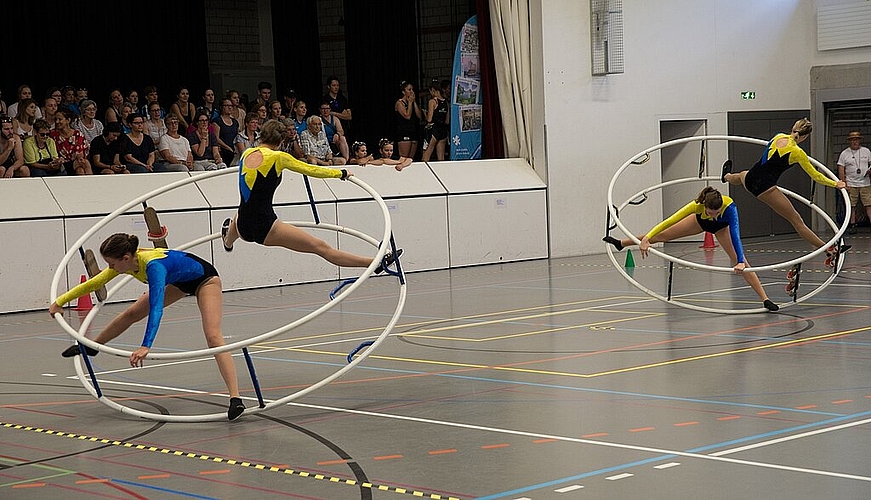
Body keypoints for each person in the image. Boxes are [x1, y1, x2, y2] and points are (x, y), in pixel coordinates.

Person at [50, 233, 246, 421]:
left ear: (125, 258)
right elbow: (95, 283)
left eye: (111, 264)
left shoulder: (154, 268)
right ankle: (92, 347)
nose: (109, 268)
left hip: (205, 280)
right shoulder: (127, 263)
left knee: (213, 337)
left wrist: (146, 345)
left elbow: (156, 308)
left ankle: (235, 398)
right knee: (131, 313)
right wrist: (60, 301)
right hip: (179, 281)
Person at [220, 119, 400, 275]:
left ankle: (228, 240)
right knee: (321, 247)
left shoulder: (246, 153)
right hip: (265, 227)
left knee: (243, 208)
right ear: (282, 140)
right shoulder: (278, 157)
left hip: (242, 225)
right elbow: (311, 170)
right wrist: (341, 173)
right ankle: (375, 263)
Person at [604, 187, 778, 312]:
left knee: (743, 262)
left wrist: (739, 261)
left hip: (721, 229)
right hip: (699, 223)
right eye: (710, 212)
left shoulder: (730, 208)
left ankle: (765, 299)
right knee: (661, 236)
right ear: (704, 206)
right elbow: (669, 221)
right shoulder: (696, 205)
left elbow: (736, 235)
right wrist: (648, 238)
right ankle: (622, 243)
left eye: (716, 212)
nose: (714, 215)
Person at [722, 118, 848, 267]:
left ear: (793, 128)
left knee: (740, 175)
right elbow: (816, 176)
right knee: (797, 220)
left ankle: (726, 176)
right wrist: (835, 184)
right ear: (805, 137)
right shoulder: (797, 152)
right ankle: (829, 250)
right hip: (765, 188)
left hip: (750, 178)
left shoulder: (778, 136)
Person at [837, 131, 871, 235]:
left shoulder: (866, 151)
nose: (855, 142)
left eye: (856, 140)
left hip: (865, 183)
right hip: (851, 183)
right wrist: (844, 183)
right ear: (850, 141)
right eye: (853, 140)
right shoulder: (845, 153)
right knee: (851, 205)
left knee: (869, 205)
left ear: (859, 141)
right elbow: (841, 168)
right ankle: (852, 225)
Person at [51, 108, 93, 175]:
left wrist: (80, 159)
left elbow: (80, 154)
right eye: (56, 119)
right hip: (61, 165)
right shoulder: (52, 135)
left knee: (80, 170)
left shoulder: (77, 134)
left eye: (60, 119)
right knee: (85, 163)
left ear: (68, 120)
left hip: (76, 163)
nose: (57, 122)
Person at [421, 80, 449, 162]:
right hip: (443, 131)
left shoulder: (433, 101)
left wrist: (425, 114)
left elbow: (429, 119)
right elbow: (447, 121)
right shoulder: (446, 102)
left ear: (433, 90)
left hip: (433, 130)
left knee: (425, 157)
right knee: (441, 158)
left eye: (430, 91)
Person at [395, 81, 423, 160]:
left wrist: (413, 102)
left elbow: (419, 116)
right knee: (404, 158)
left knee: (410, 159)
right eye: (409, 90)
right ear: (403, 92)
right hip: (404, 132)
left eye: (412, 89)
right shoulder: (399, 103)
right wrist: (410, 103)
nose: (412, 92)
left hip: (413, 131)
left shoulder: (412, 102)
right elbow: (407, 115)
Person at [213, 98, 239, 166]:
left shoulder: (235, 122)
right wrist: (228, 147)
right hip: (223, 149)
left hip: (234, 149)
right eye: (227, 105)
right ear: (222, 107)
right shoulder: (217, 121)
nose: (230, 107)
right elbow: (216, 138)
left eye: (231, 105)